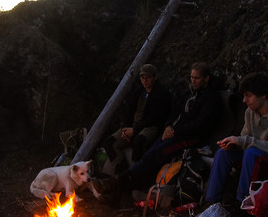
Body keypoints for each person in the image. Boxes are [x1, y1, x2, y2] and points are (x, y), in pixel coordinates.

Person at [95, 62, 222, 193]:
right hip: (174, 131)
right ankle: (126, 182)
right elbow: (175, 111)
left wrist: (174, 130)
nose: (193, 81)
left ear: (206, 78)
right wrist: (168, 126)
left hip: (191, 137)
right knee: (151, 152)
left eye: (197, 78)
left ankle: (120, 183)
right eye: (191, 77)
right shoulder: (188, 94)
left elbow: (199, 124)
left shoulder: (211, 98)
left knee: (156, 153)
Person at [205, 72, 268, 204]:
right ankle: (212, 202)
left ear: (263, 94)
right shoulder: (250, 112)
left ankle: (243, 200)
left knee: (251, 153)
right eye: (244, 96)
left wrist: (243, 141)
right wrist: (234, 144)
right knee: (223, 153)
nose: (244, 100)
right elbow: (245, 138)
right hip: (260, 156)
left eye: (248, 96)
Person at [102, 64, 171, 174]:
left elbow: (155, 118)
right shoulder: (139, 91)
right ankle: (121, 171)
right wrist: (125, 128)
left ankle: (135, 174)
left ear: (155, 77)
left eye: (148, 77)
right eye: (142, 78)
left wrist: (135, 130)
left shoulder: (161, 93)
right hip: (133, 125)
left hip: (150, 126)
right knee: (109, 142)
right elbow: (129, 111)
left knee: (139, 141)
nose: (145, 80)